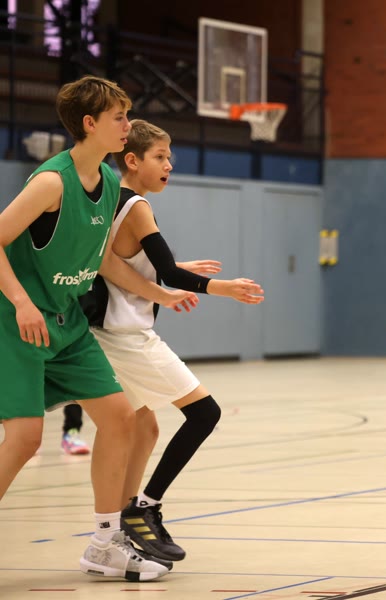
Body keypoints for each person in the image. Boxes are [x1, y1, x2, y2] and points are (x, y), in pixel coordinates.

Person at [0, 75, 194, 581]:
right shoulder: (51, 182)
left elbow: (105, 261)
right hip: (18, 322)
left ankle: (105, 545)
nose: (128, 125)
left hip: (67, 324)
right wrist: (21, 302)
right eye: (119, 117)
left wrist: (161, 293)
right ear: (90, 124)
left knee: (122, 419)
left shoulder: (109, 184)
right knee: (24, 440)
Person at [79, 118, 264, 563]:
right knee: (204, 413)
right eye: (160, 157)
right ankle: (146, 506)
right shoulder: (137, 205)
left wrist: (177, 270)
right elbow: (167, 273)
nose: (169, 165)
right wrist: (224, 287)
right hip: (126, 336)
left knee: (144, 427)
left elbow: (126, 262)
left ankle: (122, 522)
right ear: (132, 160)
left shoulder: (112, 201)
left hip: (105, 334)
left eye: (170, 157)